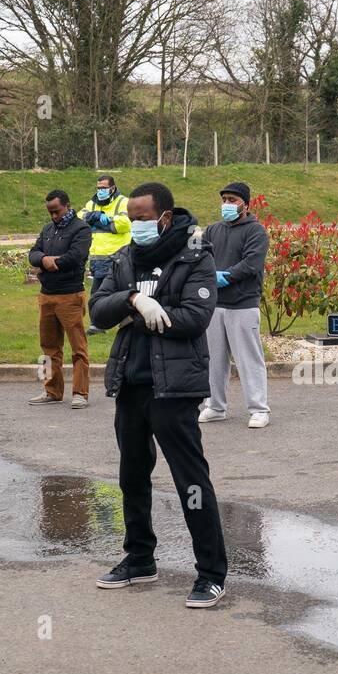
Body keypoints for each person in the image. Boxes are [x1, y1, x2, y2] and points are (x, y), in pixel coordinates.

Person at [88, 181, 229, 608]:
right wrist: (133, 299)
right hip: (131, 383)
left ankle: (211, 573)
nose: (137, 226)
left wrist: (142, 312)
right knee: (132, 476)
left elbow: (195, 317)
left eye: (143, 219)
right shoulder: (126, 258)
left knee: (191, 482)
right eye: (132, 219)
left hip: (175, 388)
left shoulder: (194, 257)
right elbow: (97, 308)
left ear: (165, 217)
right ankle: (139, 559)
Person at [198, 181, 271, 428]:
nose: (227, 204)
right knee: (213, 359)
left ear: (246, 205)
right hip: (215, 304)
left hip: (243, 304)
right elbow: (200, 257)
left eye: (233, 200)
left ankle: (259, 409)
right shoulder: (212, 231)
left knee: (248, 358)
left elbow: (251, 264)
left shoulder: (255, 231)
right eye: (224, 200)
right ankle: (215, 406)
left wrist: (224, 276)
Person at [27, 189, 93, 409]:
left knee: (78, 348)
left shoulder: (81, 228)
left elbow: (77, 257)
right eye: (50, 213)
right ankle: (50, 390)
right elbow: (33, 253)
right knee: (47, 347)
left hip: (70, 295)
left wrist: (54, 263)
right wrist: (45, 259)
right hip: (46, 296)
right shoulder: (48, 229)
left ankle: (80, 393)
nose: (53, 216)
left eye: (56, 211)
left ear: (67, 205)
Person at [78, 174, 132, 335]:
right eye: (98, 188)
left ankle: (124, 320)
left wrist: (105, 220)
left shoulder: (123, 202)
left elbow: (124, 224)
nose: (100, 191)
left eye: (104, 188)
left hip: (117, 256)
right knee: (99, 292)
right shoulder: (91, 203)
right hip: (97, 257)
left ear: (112, 188)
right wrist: (92, 216)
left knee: (119, 290)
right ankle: (98, 323)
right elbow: (80, 219)